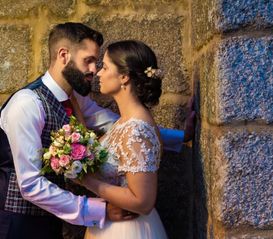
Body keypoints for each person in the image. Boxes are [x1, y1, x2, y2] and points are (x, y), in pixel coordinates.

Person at [0, 22, 191, 239]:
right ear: (64, 55)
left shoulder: (77, 100)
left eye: (99, 63)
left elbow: (125, 127)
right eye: (88, 61)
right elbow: (30, 184)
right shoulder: (27, 104)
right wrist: (97, 210)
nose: (94, 70)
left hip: (55, 223)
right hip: (17, 224)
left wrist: (182, 137)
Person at [75, 40, 168, 239]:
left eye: (105, 67)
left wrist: (88, 181)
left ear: (124, 77)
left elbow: (143, 201)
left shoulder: (136, 129)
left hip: (128, 230)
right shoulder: (124, 122)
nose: (98, 73)